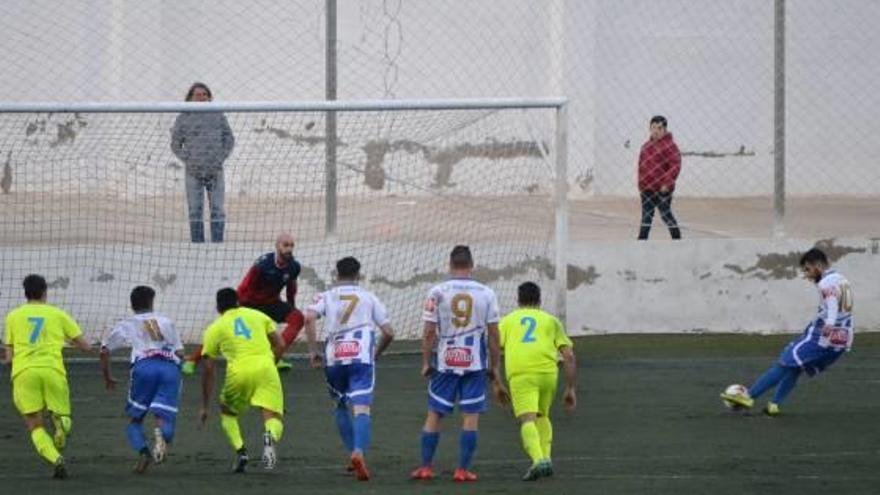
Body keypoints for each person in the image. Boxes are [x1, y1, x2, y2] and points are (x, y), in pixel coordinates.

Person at [410, 245, 509, 482]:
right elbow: (494, 334)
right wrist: (494, 367)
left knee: (435, 413)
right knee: (470, 416)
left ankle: (425, 467)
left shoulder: (437, 292)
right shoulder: (486, 293)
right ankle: (462, 470)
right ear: (472, 266)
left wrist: (426, 361)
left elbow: (428, 332)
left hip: (445, 362)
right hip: (474, 364)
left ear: (450, 265)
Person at [721, 248, 854, 416]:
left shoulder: (825, 283)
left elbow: (833, 303)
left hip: (822, 335)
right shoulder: (841, 279)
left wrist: (829, 323)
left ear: (818, 265)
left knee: (785, 362)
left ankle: (748, 396)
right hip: (842, 338)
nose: (806, 274)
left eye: (807, 269)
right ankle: (774, 405)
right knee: (796, 367)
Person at [303, 256, 395, 481]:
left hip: (335, 356)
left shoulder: (326, 295)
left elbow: (308, 317)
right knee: (362, 408)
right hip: (361, 354)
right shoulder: (369, 297)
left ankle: (350, 454)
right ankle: (358, 452)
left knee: (340, 404)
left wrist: (313, 350)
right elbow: (389, 332)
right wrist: (377, 354)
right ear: (358, 275)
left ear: (336, 274)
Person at [2, 274, 92, 479]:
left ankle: (55, 458)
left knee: (34, 424)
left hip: (24, 371)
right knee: (60, 413)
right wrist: (67, 343)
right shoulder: (57, 314)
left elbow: (8, 358)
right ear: (45, 292)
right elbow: (86, 346)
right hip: (53, 370)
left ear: (25, 293)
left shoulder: (13, 316)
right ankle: (61, 422)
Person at [182, 232, 305, 374]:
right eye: (285, 245)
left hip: (271, 303)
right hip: (248, 303)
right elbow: (245, 286)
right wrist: (235, 308)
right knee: (222, 329)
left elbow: (291, 288)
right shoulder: (262, 265)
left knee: (298, 318)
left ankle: (274, 356)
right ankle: (192, 360)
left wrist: (292, 307)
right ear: (277, 246)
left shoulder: (294, 266)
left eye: (291, 246)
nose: (289, 249)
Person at [199, 288, 286, 472]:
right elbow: (280, 344)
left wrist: (205, 405)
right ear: (238, 302)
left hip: (238, 373)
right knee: (272, 416)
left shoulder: (214, 328)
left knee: (228, 413)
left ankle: (241, 451)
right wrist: (271, 363)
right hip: (266, 367)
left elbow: (208, 369)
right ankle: (269, 437)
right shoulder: (258, 315)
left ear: (217, 308)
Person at [100, 286, 184, 473]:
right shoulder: (166, 321)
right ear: (152, 302)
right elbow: (180, 352)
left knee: (135, 419)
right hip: (170, 368)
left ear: (131, 305)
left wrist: (107, 376)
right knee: (164, 416)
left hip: (145, 367)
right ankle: (162, 437)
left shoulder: (127, 323)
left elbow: (104, 351)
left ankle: (143, 451)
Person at [498, 282, 577, 481]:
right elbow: (568, 356)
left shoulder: (507, 321)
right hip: (548, 374)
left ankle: (538, 460)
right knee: (542, 415)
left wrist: (496, 381)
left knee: (527, 419)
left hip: (521, 374)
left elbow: (493, 349)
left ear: (517, 300)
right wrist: (570, 388)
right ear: (540, 301)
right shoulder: (551, 321)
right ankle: (546, 459)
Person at [170, 82, 235, 243]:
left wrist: (220, 157)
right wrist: (189, 159)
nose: (201, 98)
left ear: (209, 97)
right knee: (195, 211)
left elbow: (229, 139)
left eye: (204, 95)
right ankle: (197, 244)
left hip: (216, 171)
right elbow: (175, 144)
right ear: (190, 98)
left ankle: (217, 243)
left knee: (218, 210)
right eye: (198, 95)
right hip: (193, 172)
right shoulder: (183, 118)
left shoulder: (218, 115)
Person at [637, 115, 682, 240]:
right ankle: (642, 240)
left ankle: (677, 238)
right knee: (646, 216)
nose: (656, 131)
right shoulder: (645, 146)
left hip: (662, 189)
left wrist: (666, 183)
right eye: (653, 128)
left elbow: (675, 166)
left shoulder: (670, 146)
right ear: (649, 129)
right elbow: (641, 166)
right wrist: (641, 184)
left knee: (665, 214)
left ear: (665, 130)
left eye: (660, 128)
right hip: (647, 189)